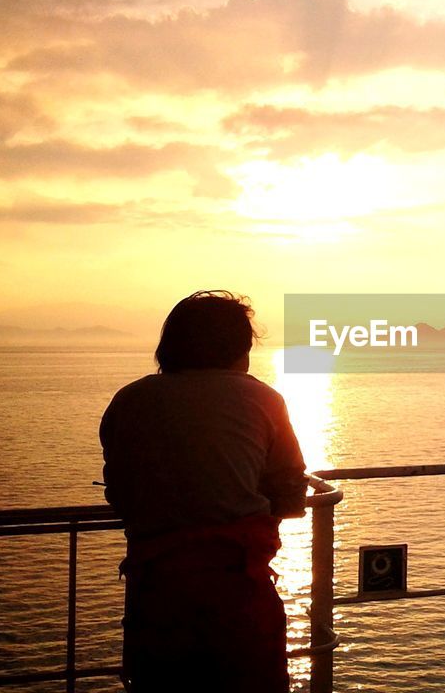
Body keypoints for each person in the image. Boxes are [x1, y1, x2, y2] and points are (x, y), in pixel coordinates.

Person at [100, 290, 307, 692]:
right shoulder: (264, 399)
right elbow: (291, 493)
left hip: (156, 594)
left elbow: (121, 492)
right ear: (241, 348)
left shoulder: (128, 400)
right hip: (239, 592)